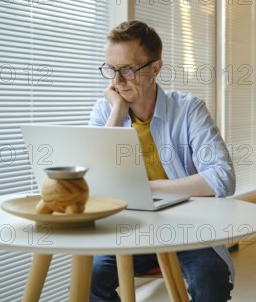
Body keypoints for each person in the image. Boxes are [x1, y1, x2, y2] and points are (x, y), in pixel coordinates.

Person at [88, 20, 236, 302]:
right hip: (128, 228)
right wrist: (118, 110)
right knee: (92, 278)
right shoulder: (105, 111)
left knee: (211, 281)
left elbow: (222, 178)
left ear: (155, 68)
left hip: (187, 227)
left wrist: (147, 188)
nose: (117, 81)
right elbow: (96, 178)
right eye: (111, 70)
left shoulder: (189, 109)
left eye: (128, 70)